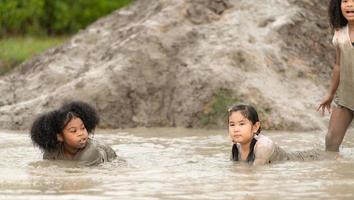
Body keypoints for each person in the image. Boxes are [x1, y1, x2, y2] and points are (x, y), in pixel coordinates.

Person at [228, 104, 327, 165]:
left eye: (241, 124)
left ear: (255, 127)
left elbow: (254, 173)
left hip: (306, 158)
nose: (236, 129)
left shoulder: (263, 146)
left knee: (330, 156)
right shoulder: (236, 147)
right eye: (232, 125)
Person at [30, 101, 117, 166]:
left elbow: (80, 174)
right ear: (59, 136)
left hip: (109, 157)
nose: (81, 133)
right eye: (73, 131)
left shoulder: (91, 152)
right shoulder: (51, 153)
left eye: (83, 128)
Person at [318, 0, 354, 152]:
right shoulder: (340, 33)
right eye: (345, 1)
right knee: (331, 142)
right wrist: (330, 94)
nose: (349, 5)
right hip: (346, 98)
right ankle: (334, 173)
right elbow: (338, 66)